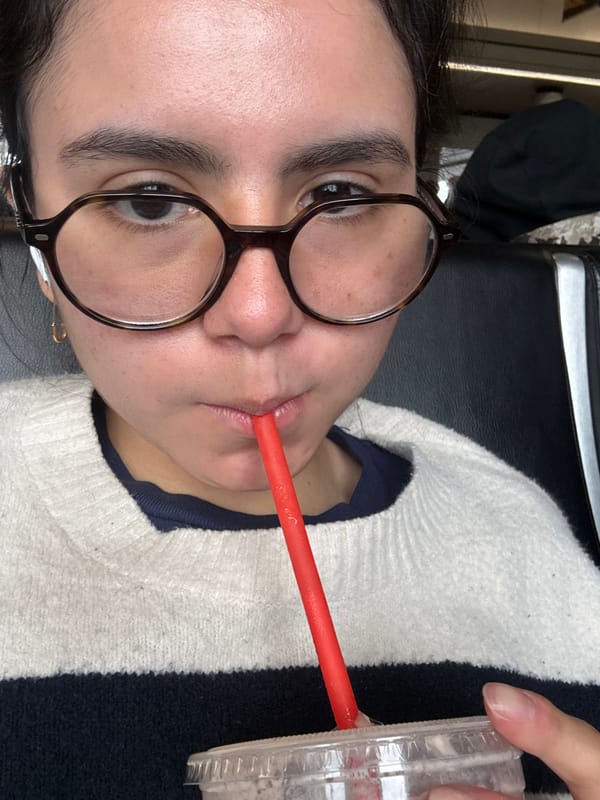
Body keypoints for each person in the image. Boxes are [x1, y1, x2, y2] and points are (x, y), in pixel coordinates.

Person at [0, 1, 598, 798]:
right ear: (30, 212)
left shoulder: (530, 552)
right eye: (149, 198)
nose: (259, 315)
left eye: (340, 195)